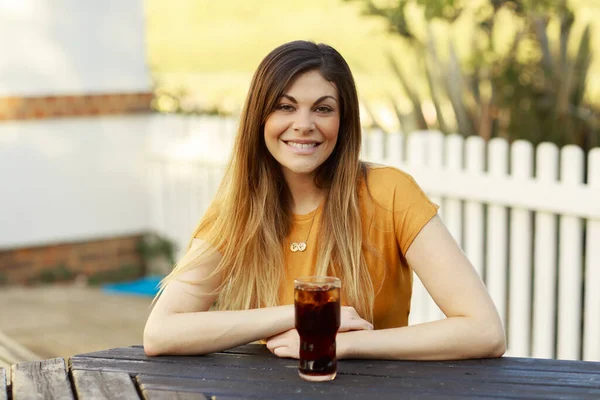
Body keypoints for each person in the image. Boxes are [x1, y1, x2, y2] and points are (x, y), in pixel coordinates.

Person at [143, 40, 506, 361]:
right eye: (285, 107)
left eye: (322, 108)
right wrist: (304, 314)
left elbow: (484, 331)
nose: (303, 124)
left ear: (343, 121)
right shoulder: (240, 210)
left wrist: (341, 345)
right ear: (259, 117)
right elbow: (161, 333)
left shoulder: (390, 193)